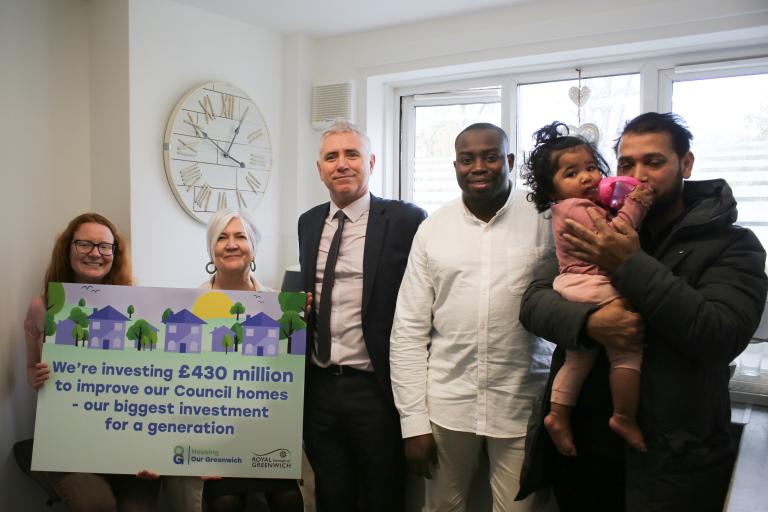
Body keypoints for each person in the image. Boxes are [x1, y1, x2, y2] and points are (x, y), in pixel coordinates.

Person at [516, 112, 768, 512]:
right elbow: (533, 303)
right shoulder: (596, 221)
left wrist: (629, 263)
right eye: (626, 164)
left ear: (686, 164)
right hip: (583, 453)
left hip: (670, 463)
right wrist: (590, 323)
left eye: (654, 162)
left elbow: (720, 336)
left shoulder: (732, 245)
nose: (638, 175)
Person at [390, 122, 553, 511]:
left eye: (490, 156)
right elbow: (408, 331)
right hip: (448, 403)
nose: (478, 167)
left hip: (522, 403)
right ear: (455, 166)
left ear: (509, 161)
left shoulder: (545, 220)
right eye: (467, 159)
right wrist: (413, 423)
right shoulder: (433, 229)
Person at [298, 119, 427, 512]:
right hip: (319, 389)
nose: (342, 164)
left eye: (351, 154)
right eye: (331, 157)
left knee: (381, 496)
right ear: (319, 168)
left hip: (376, 390)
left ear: (370, 162)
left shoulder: (406, 220)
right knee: (331, 496)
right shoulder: (308, 222)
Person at [521, 121, 653, 457]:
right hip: (595, 286)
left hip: (575, 288)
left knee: (578, 359)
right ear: (551, 189)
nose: (587, 177)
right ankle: (623, 417)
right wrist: (636, 204)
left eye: (591, 167)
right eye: (572, 173)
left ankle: (558, 415)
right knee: (627, 353)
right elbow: (615, 235)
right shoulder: (577, 208)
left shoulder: (567, 208)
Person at [162, 209, 304, 512]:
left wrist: (307, 318)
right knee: (226, 502)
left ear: (253, 247)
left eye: (240, 236)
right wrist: (194, 452)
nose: (231, 244)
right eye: (221, 238)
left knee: (289, 500)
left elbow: (290, 374)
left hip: (267, 433)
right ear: (211, 249)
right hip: (211, 436)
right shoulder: (188, 307)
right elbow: (175, 383)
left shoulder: (281, 306)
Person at [24, 212, 160, 512]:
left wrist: (154, 450)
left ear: (115, 253)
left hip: (127, 437)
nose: (95, 253)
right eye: (84, 244)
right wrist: (35, 376)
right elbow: (31, 366)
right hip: (69, 441)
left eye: (104, 246)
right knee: (95, 504)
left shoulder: (138, 305)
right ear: (68, 249)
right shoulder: (43, 307)